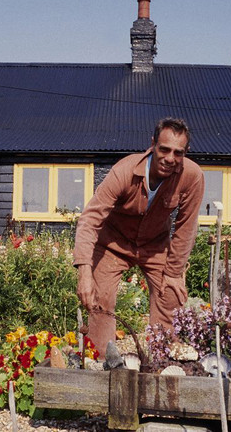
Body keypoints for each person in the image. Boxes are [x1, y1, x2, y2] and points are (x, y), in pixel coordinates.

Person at [73, 117, 204, 356]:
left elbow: (186, 227)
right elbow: (90, 219)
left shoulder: (192, 177)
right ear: (153, 144)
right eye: (164, 149)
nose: (170, 158)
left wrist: (174, 274)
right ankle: (103, 363)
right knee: (99, 299)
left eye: (178, 152)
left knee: (171, 294)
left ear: (186, 153)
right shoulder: (124, 170)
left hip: (155, 246)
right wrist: (84, 272)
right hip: (113, 243)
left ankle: (161, 361)